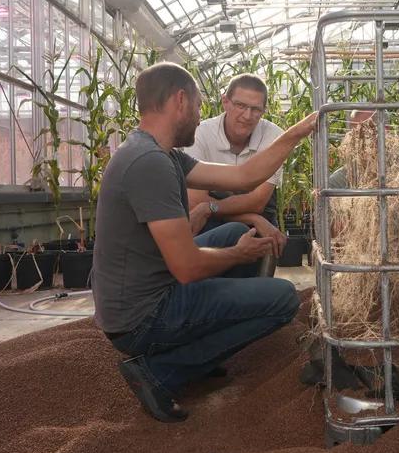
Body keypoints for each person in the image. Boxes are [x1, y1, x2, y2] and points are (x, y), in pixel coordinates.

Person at [92, 62, 317, 423]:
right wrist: (238, 254)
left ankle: (199, 348)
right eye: (198, 106)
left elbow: (245, 176)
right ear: (180, 100)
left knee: (229, 231)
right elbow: (188, 266)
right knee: (283, 299)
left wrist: (298, 132)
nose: (200, 118)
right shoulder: (149, 163)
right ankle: (163, 370)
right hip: (142, 318)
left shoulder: (161, 152)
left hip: (139, 296)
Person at [185, 75, 285, 252]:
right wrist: (253, 219)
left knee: (267, 239)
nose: (247, 116)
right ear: (225, 102)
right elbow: (195, 202)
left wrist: (209, 207)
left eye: (255, 109)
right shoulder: (201, 134)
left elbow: (257, 202)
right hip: (211, 220)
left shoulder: (274, 137)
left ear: (264, 110)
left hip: (251, 215)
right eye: (240, 106)